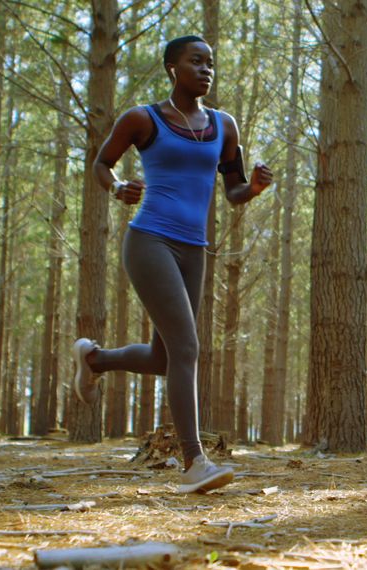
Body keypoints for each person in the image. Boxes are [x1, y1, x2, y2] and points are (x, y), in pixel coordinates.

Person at [73, 35, 272, 494]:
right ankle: (194, 460)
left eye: (210, 64)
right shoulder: (143, 118)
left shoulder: (225, 126)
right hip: (149, 240)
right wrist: (117, 187)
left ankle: (95, 359)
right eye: (194, 61)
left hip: (194, 249)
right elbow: (102, 163)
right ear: (171, 68)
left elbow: (234, 191)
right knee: (186, 348)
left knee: (167, 357)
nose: (205, 70)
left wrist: (256, 187)